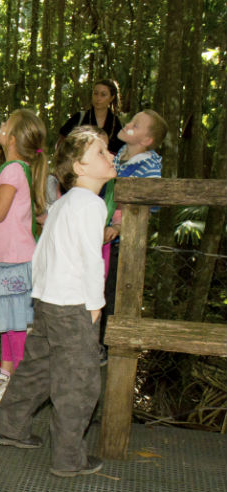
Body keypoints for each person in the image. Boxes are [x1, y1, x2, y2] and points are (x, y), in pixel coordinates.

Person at [0, 126, 116, 478]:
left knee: (37, 369)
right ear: (79, 167)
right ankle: (69, 457)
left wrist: (39, 293)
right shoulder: (90, 203)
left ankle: (8, 427)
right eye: (101, 153)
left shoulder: (65, 203)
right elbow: (90, 257)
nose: (110, 156)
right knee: (78, 381)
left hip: (46, 300)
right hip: (73, 304)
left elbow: (45, 249)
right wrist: (95, 304)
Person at [0, 109, 49, 403]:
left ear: (11, 138)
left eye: (5, 126)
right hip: (10, 260)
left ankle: (14, 378)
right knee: (9, 319)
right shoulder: (17, 168)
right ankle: (4, 373)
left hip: (16, 261)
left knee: (15, 323)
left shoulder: (13, 170)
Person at [99, 109, 167, 362]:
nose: (127, 125)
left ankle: (107, 347)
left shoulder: (148, 164)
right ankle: (93, 341)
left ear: (147, 141)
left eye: (135, 125)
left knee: (113, 293)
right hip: (102, 235)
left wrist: (120, 227)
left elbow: (148, 205)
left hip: (124, 241)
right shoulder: (117, 158)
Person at [58, 79, 124, 154]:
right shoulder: (79, 117)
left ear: (112, 98)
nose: (98, 98)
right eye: (95, 93)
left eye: (103, 95)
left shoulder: (116, 123)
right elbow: (60, 143)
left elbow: (122, 153)